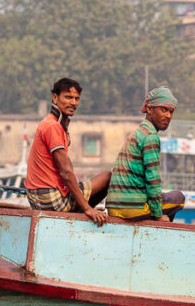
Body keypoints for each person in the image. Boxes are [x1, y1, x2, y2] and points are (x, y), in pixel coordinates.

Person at [24, 78, 110, 225]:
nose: (73, 103)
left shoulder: (55, 124)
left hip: (38, 198)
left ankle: (82, 211)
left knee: (84, 184)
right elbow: (66, 172)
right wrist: (88, 208)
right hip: (50, 200)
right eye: (68, 97)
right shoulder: (52, 126)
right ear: (55, 97)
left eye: (77, 99)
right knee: (107, 177)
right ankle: (85, 212)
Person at [106, 86, 186, 222]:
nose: (168, 116)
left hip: (114, 207)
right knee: (179, 198)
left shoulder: (137, 133)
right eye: (164, 110)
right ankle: (159, 224)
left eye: (171, 112)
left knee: (162, 197)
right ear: (150, 109)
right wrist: (158, 214)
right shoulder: (150, 137)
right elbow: (153, 179)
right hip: (132, 208)